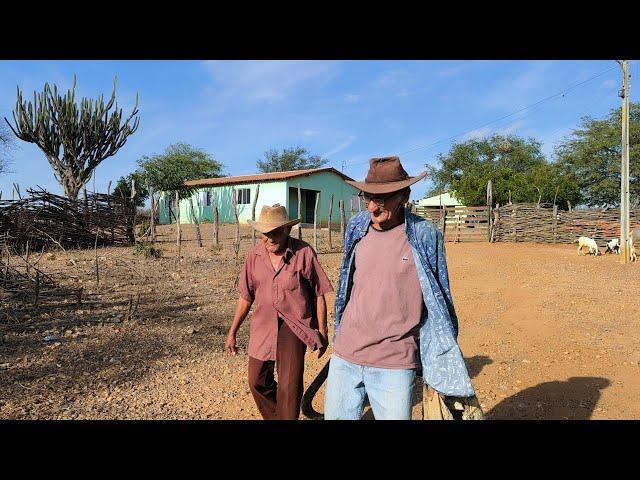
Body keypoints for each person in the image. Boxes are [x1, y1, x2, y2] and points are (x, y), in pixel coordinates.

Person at [324, 156, 476, 420]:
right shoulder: (357, 228)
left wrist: (440, 361)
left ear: (404, 195)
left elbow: (441, 300)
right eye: (367, 197)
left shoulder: (424, 234)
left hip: (395, 361)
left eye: (382, 199)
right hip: (346, 355)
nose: (372, 207)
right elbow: (346, 286)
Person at [225, 204, 333, 420]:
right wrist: (232, 331)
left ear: (287, 230)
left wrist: (322, 330)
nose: (270, 239)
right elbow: (246, 296)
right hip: (263, 326)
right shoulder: (254, 257)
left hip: (294, 326)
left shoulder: (303, 253)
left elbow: (319, 293)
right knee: (257, 380)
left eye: (276, 232)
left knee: (289, 386)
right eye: (266, 234)